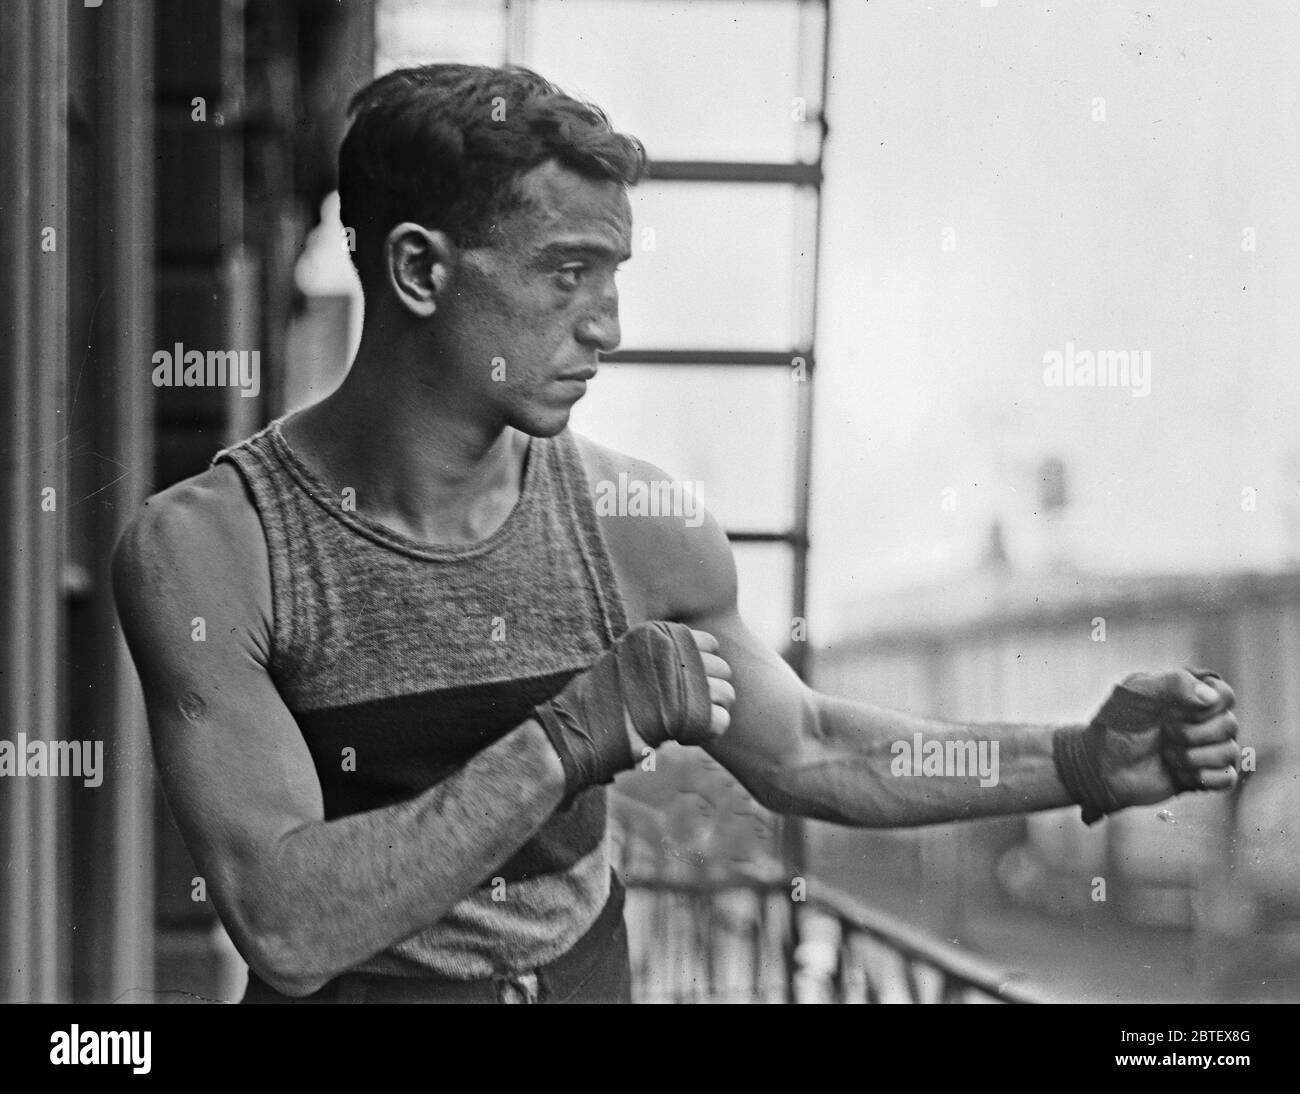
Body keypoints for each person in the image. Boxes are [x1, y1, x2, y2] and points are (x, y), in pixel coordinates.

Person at [112, 64, 1241, 1004]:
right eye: (567, 273)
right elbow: (286, 921)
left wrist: (1079, 758)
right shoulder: (214, 550)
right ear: (418, 268)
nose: (607, 327)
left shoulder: (632, 523)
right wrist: (562, 741)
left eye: (614, 276)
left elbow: (808, 748)